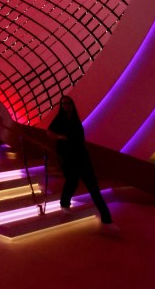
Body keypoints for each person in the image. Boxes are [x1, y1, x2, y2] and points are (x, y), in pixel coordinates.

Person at [47, 95, 119, 232]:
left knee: (93, 188)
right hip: (68, 157)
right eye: (63, 104)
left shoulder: (75, 119)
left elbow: (80, 139)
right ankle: (64, 204)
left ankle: (107, 220)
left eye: (68, 103)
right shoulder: (60, 118)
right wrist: (60, 137)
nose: (65, 106)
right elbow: (49, 132)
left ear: (72, 104)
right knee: (72, 181)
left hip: (81, 156)